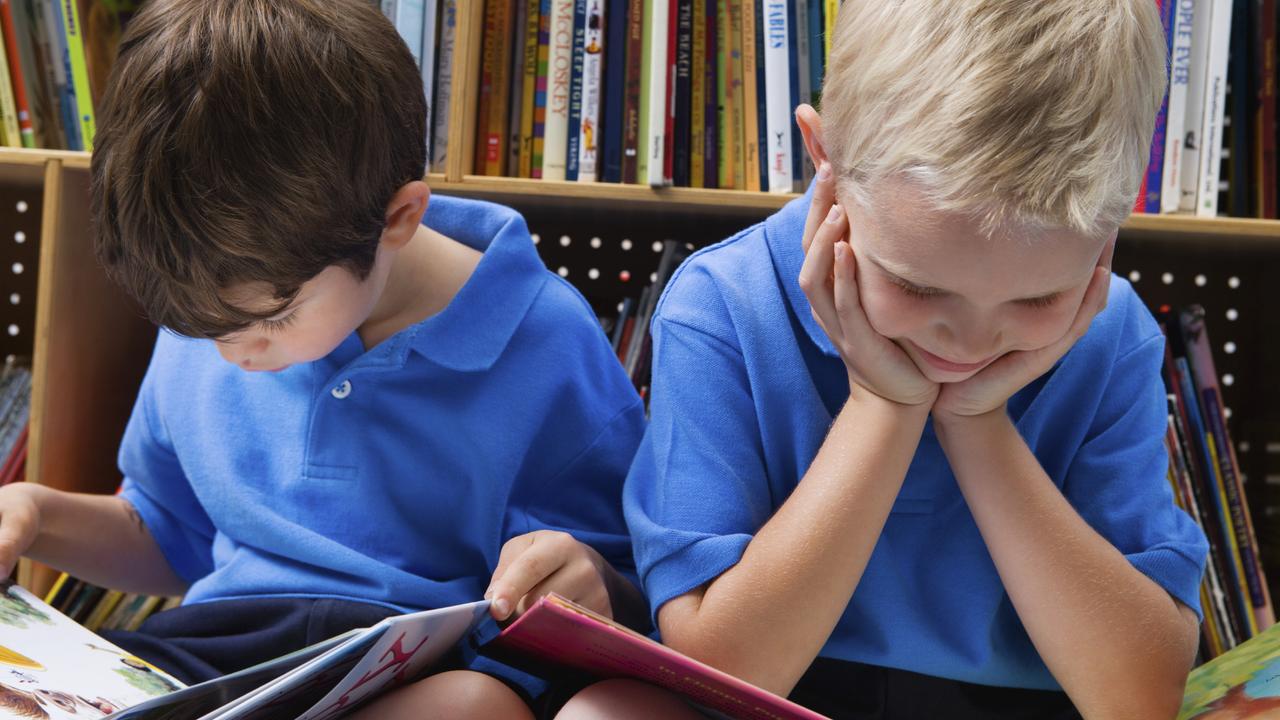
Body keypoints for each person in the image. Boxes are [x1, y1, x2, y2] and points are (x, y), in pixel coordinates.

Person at [557, 1, 1209, 718]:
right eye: (917, 285)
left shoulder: (1114, 334)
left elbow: (1139, 697)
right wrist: (885, 405)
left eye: (1037, 299)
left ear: (1112, 233)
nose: (967, 344)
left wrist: (977, 421)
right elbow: (721, 670)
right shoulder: (722, 306)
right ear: (825, 157)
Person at [0, 1, 647, 717]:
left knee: (474, 707)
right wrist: (34, 514)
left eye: (270, 319)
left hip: (407, 669)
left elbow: (616, 588)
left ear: (398, 219)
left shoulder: (547, 342)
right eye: (195, 327)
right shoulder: (217, 302)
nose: (232, 355)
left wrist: (590, 577)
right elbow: (169, 533)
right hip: (210, 660)